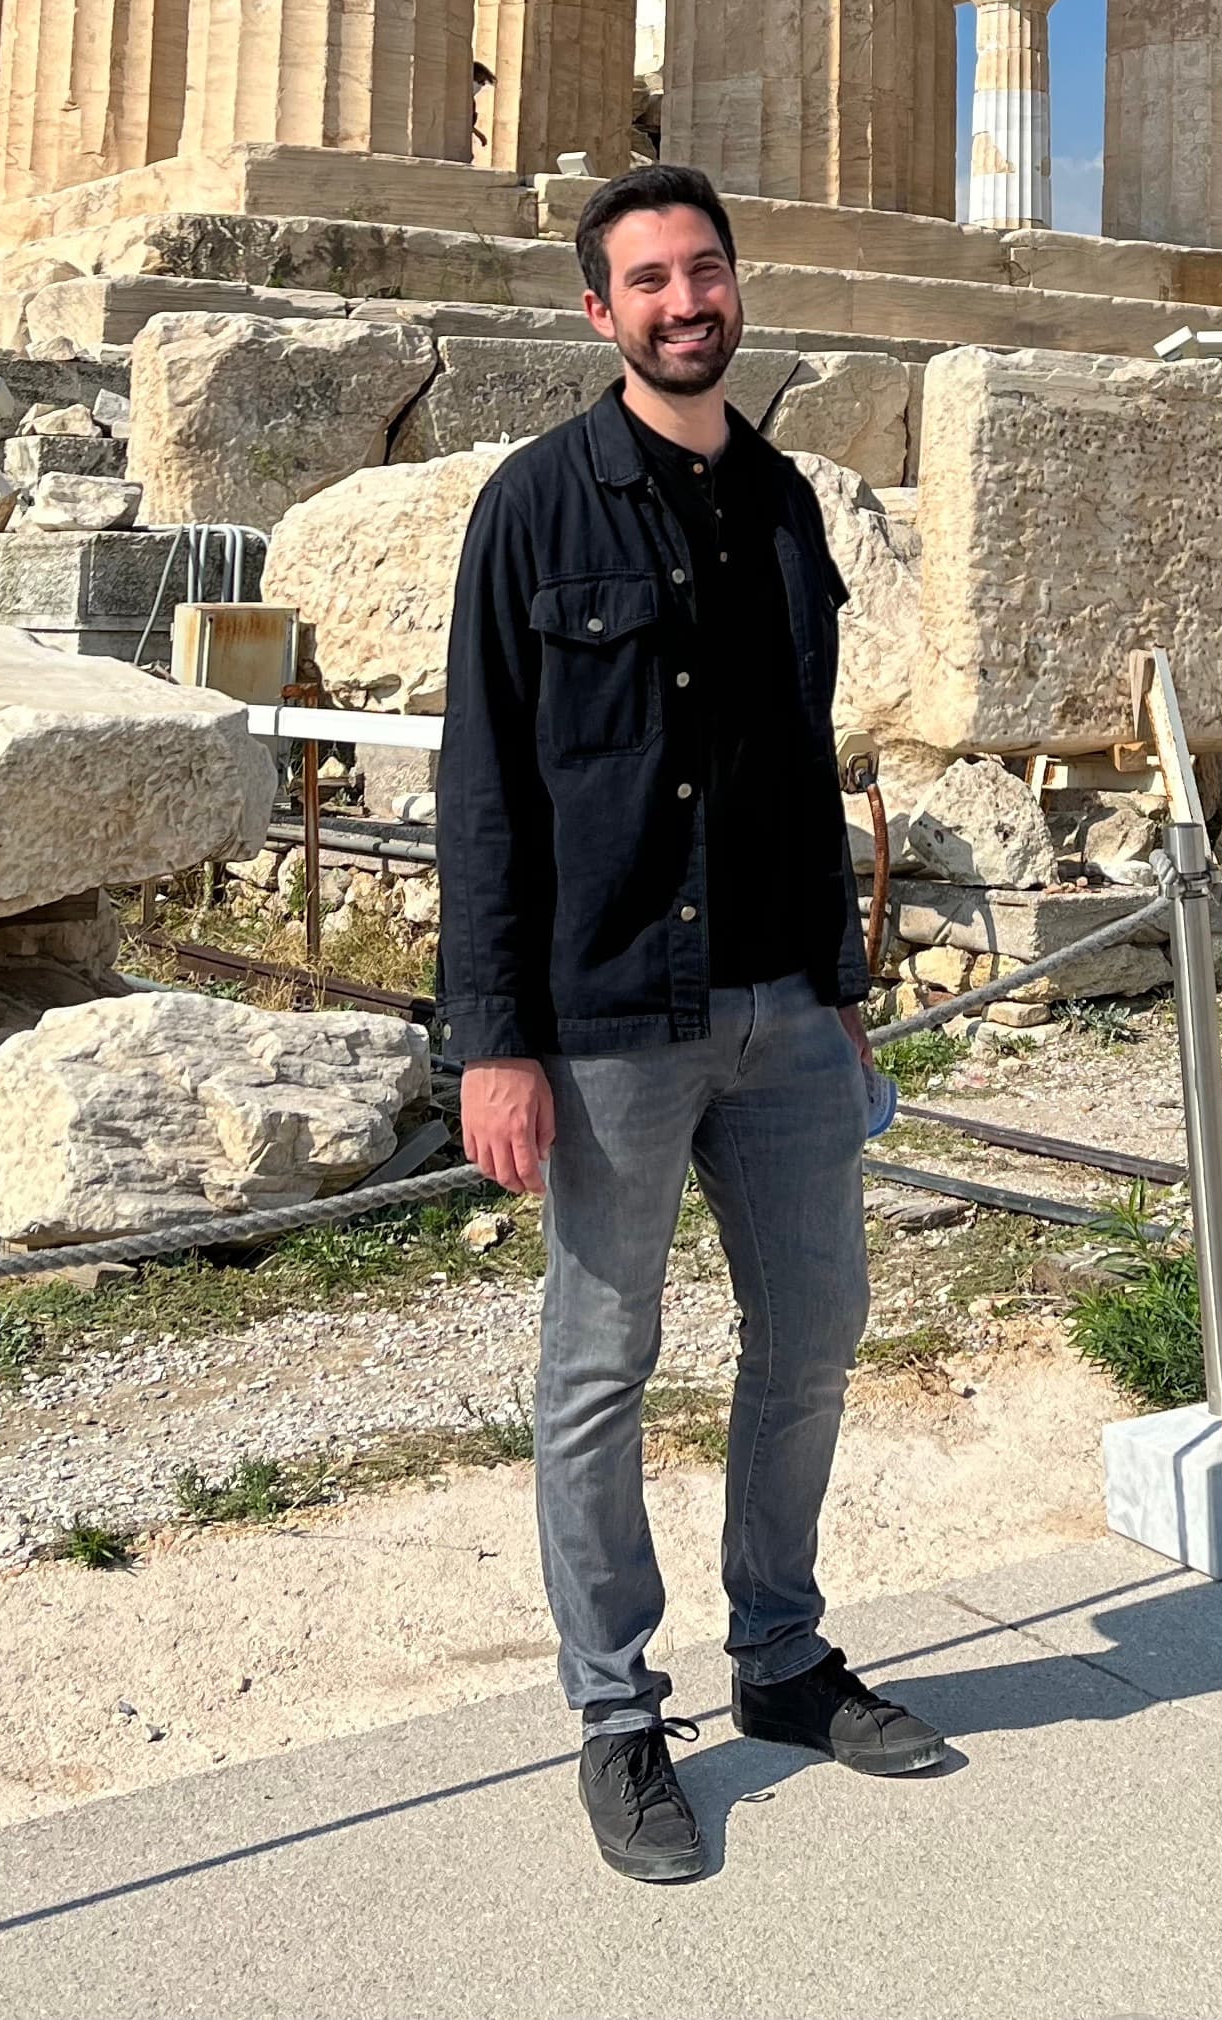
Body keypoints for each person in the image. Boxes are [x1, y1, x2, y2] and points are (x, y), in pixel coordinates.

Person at [435, 164, 945, 1883]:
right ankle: (613, 1714)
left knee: (810, 1336)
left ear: (737, 287)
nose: (682, 302)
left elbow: (801, 769)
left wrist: (846, 993)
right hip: (605, 1017)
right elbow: (484, 790)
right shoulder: (533, 506)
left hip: (787, 1009)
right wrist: (487, 1041)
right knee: (599, 1366)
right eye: (647, 280)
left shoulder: (787, 502)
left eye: (704, 271)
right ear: (599, 312)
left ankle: (784, 1659)